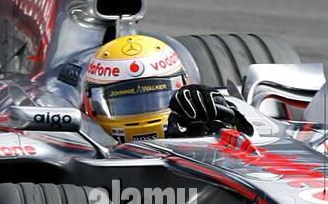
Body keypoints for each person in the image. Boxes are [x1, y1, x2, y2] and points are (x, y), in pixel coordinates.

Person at [80, 34, 251, 141]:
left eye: (157, 99)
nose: (143, 113)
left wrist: (227, 129)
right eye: (128, 104)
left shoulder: (193, 127)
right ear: (91, 104)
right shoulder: (80, 147)